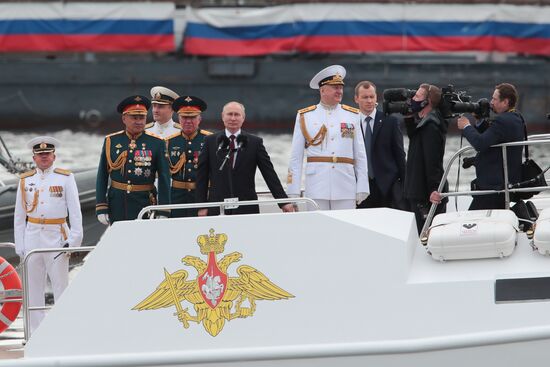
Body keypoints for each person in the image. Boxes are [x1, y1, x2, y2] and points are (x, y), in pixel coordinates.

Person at [14, 136, 83, 332]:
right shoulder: (25, 180)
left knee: (60, 285)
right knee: (33, 288)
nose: (44, 157)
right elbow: (19, 218)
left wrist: (74, 240)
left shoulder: (65, 178)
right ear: (34, 158)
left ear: (54, 156)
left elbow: (75, 212)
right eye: (40, 154)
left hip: (56, 236)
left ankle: (63, 329)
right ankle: (36, 332)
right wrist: (20, 246)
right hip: (33, 236)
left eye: (47, 154)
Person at [287, 65, 369, 210]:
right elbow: (296, 156)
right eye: (335, 87)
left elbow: (360, 154)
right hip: (316, 186)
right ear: (322, 90)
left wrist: (362, 185)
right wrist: (293, 190)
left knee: (345, 230)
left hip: (345, 185)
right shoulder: (305, 116)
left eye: (341, 87)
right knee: (317, 230)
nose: (339, 91)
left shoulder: (353, 115)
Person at [196, 101, 294, 216]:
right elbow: (201, 176)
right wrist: (202, 206)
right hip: (217, 206)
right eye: (229, 114)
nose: (233, 118)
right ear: (223, 117)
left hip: (246, 207)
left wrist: (283, 202)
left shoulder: (255, 143)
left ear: (243, 118)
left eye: (237, 115)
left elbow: (269, 174)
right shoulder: (210, 141)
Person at [96, 95, 171, 225]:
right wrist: (101, 206)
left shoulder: (157, 143)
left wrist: (163, 210)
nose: (139, 121)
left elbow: (164, 178)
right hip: (117, 203)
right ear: (124, 118)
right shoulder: (111, 141)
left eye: (141, 117)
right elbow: (102, 175)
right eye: (134, 117)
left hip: (144, 203)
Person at [457, 83, 524, 210]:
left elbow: (480, 144)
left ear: (505, 102)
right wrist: (479, 121)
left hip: (494, 185)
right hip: (503, 182)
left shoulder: (502, 121)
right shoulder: (515, 117)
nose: (491, 102)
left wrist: (466, 126)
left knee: (473, 221)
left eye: (494, 99)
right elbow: (493, 138)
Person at [354, 80, 407, 210]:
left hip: (386, 186)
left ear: (376, 97)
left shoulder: (390, 122)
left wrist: (406, 185)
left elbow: (399, 154)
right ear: (356, 99)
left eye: (372, 97)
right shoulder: (350, 123)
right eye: (365, 97)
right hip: (358, 186)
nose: (369, 101)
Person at [403, 84, 448, 234]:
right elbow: (415, 139)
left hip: (425, 194)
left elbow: (432, 161)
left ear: (427, 101)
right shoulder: (425, 123)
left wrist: (434, 189)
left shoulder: (431, 127)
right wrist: (409, 119)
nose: (413, 99)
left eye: (417, 97)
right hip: (418, 190)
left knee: (428, 235)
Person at [166, 95, 212, 217]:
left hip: (202, 197)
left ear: (199, 119)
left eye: (192, 117)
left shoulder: (210, 140)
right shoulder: (169, 142)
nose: (188, 121)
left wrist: (208, 204)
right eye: (184, 117)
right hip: (176, 198)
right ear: (178, 119)